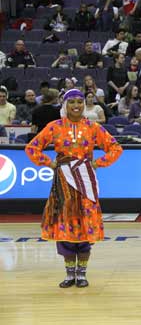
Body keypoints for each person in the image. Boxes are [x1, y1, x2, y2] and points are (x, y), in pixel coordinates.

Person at [25, 88, 123, 288]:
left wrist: (97, 163)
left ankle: (82, 273)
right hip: (63, 182)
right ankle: (70, 274)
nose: (76, 106)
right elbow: (32, 147)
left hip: (85, 181)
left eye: (79, 102)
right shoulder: (54, 127)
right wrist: (49, 163)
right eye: (72, 102)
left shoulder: (93, 127)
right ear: (65, 105)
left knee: (85, 224)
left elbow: (115, 148)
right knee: (65, 223)